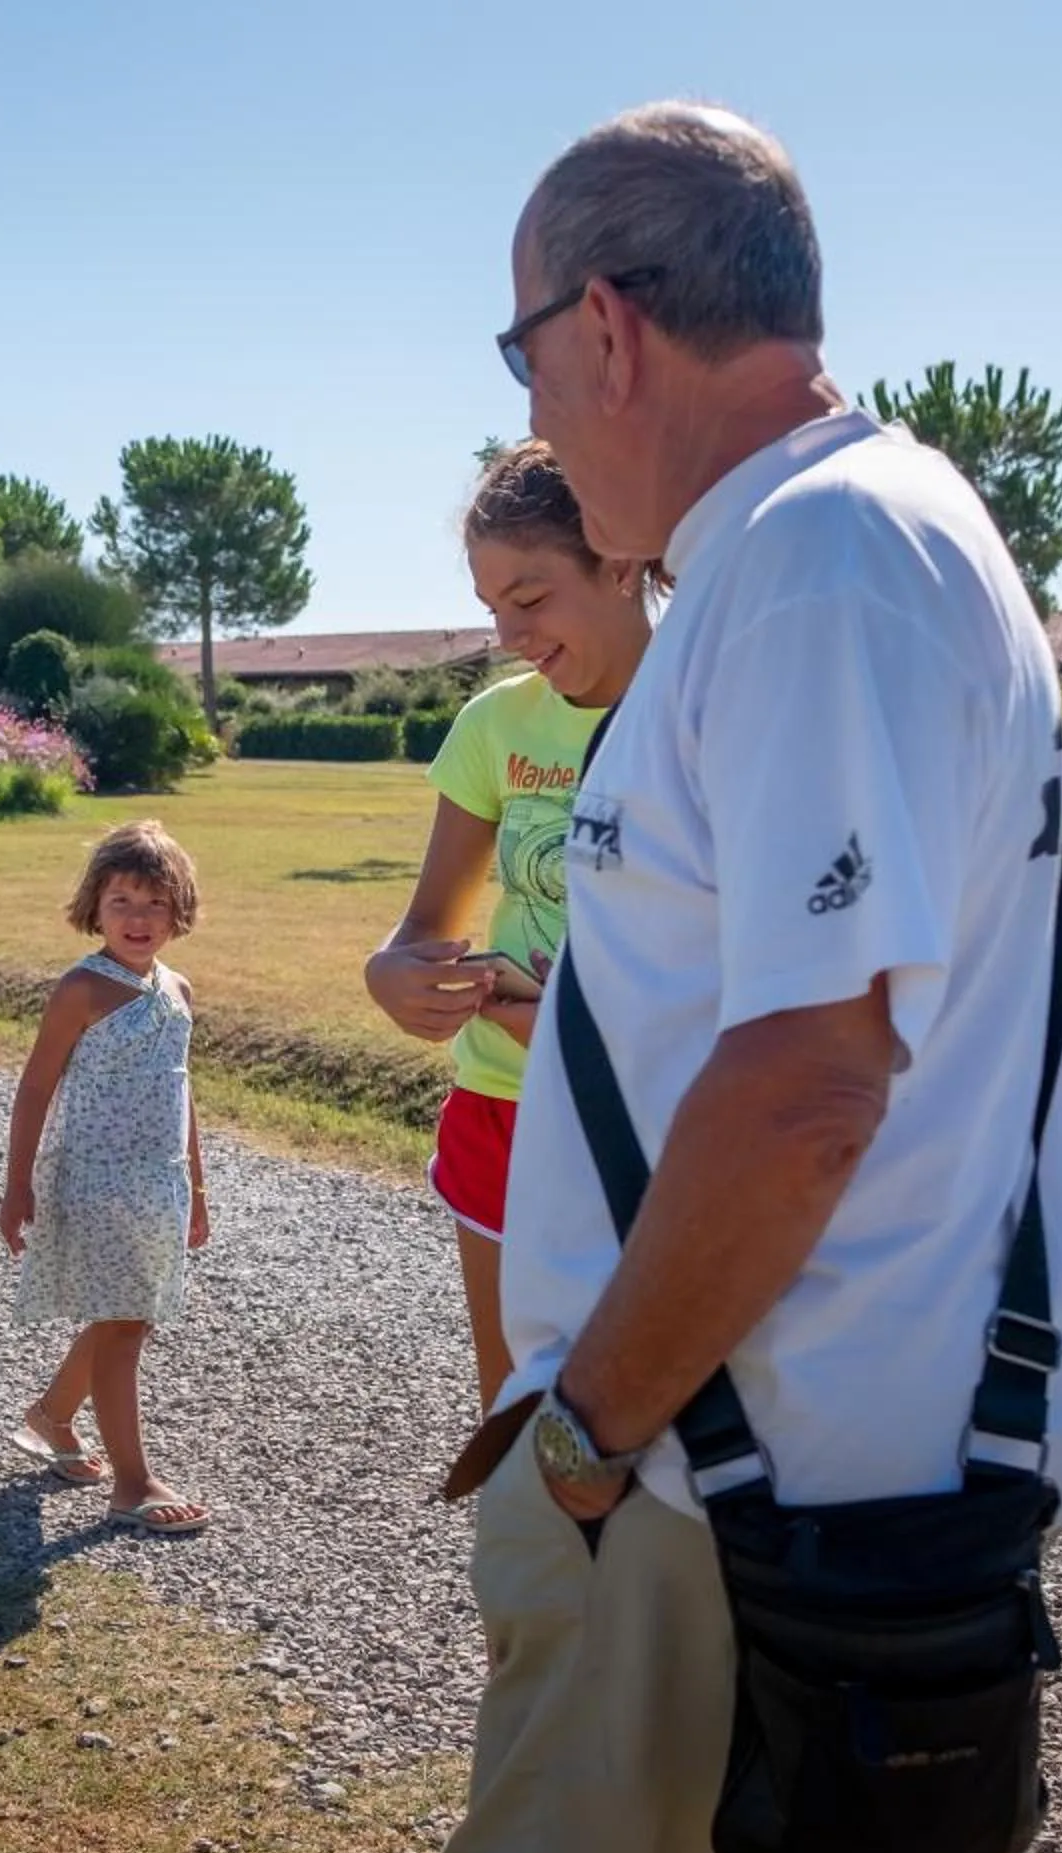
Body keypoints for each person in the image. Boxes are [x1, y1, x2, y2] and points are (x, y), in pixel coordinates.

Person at [431, 105, 1062, 1853]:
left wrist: (581, 1437)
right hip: (783, 1461)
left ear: (611, 329)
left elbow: (810, 1087)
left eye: (525, 361)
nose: (541, 420)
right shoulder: (821, 545)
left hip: (722, 1476)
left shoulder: (821, 562)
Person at [364, 440, 653, 1408]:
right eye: (494, 609)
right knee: (518, 1405)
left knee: (648, 1416)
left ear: (619, 560)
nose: (511, 633)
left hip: (652, 1124)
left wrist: (572, 1024)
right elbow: (423, 928)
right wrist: (391, 976)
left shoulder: (707, 716)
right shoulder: (495, 725)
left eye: (529, 600)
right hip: (504, 1105)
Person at [0, 821, 214, 1537]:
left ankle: (52, 1417)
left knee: (134, 1314)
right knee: (123, 1326)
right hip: (95, 1179)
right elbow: (35, 1088)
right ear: (95, 906)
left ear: (179, 911)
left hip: (160, 1181)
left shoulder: (178, 989)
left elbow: (181, 1090)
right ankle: (132, 1483)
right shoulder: (82, 990)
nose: (138, 919)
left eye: (155, 903)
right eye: (122, 901)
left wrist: (199, 1190)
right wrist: (17, 1184)